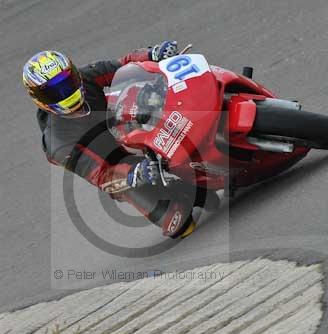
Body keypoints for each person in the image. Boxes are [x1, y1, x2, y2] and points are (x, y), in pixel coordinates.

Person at [22, 41, 217, 238]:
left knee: (147, 92)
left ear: (73, 73)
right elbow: (102, 175)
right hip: (115, 162)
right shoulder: (58, 144)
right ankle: (186, 189)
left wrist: (152, 54)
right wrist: (134, 172)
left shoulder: (85, 76)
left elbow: (124, 65)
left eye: (67, 81)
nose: (66, 92)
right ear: (39, 99)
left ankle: (207, 134)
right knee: (179, 223)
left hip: (123, 123)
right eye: (54, 91)